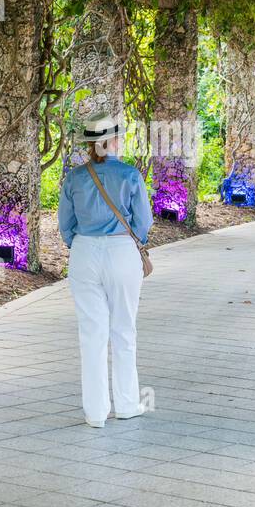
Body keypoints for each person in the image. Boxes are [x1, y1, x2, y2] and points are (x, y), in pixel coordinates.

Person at [58, 112, 151, 427]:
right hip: (122, 250)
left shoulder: (74, 177)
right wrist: (129, 241)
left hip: (84, 251)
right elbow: (144, 222)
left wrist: (82, 244)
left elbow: (65, 226)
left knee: (92, 333)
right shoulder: (129, 175)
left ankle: (95, 413)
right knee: (124, 330)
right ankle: (126, 404)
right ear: (113, 141)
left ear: (88, 143)